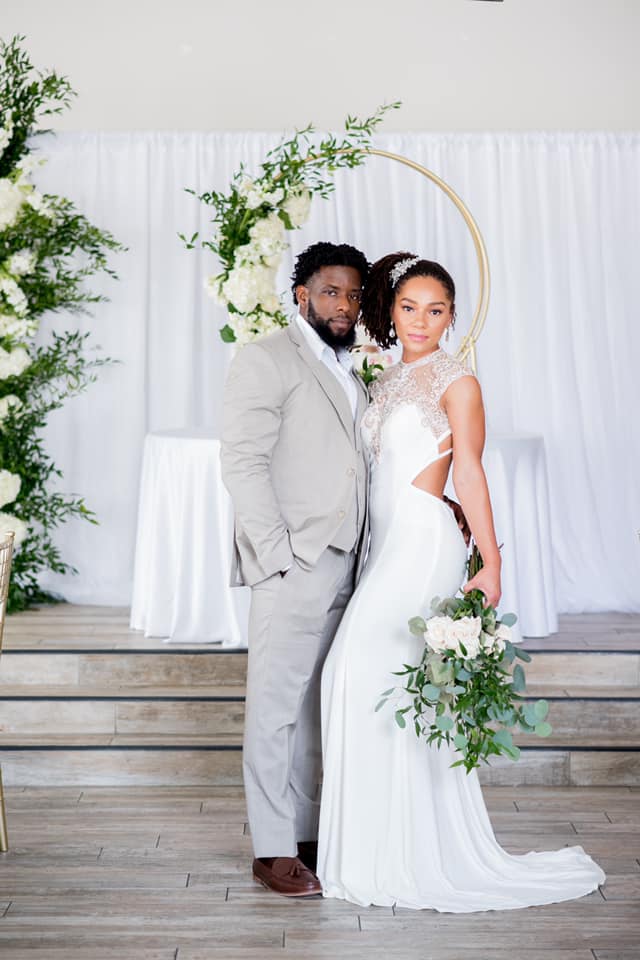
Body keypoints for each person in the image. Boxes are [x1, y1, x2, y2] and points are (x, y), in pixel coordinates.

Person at [317, 252, 605, 911]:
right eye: (410, 308)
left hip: (423, 542)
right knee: (368, 685)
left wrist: (492, 565)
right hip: (384, 545)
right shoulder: (389, 377)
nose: (422, 321)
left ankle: (404, 855)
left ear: (453, 316)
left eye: (437, 310)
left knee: (362, 674)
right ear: (391, 310)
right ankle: (375, 847)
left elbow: (469, 472)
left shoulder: (458, 381)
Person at [220, 241, 371, 897]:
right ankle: (273, 848)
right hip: (294, 562)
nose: (345, 305)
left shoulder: (352, 369)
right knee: (276, 709)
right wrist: (274, 556)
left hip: (348, 566)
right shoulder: (265, 358)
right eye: (332, 292)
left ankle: (307, 833)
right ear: (303, 295)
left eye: (355, 294)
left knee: (317, 708)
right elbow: (242, 462)